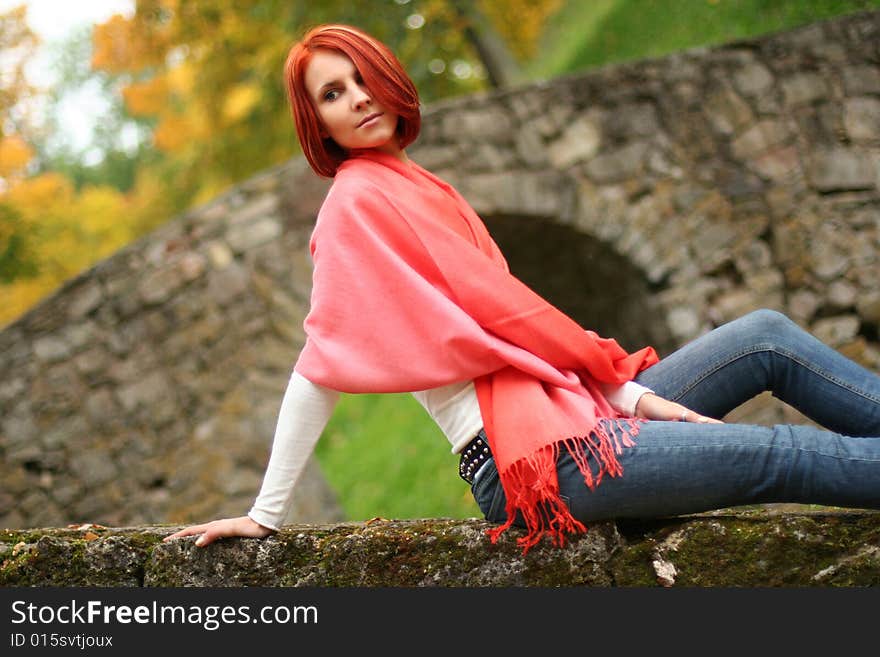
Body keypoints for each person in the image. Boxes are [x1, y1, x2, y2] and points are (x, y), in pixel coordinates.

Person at [165, 24, 880, 554]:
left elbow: (518, 331)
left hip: (575, 415)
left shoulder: (416, 185)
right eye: (331, 93)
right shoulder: (355, 208)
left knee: (763, 338)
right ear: (315, 122)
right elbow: (319, 365)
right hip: (532, 463)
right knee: (771, 455)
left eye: (360, 78)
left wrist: (627, 395)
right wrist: (266, 512)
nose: (355, 98)